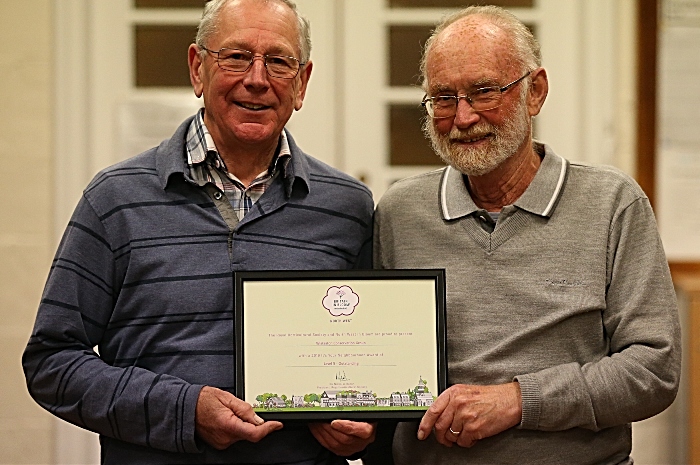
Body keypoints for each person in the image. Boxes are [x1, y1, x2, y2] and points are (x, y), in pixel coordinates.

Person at [22, 0, 379, 463]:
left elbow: (375, 361)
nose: (257, 78)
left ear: (302, 82)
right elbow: (51, 363)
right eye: (234, 57)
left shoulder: (347, 208)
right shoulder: (115, 199)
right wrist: (184, 410)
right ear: (197, 68)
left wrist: (368, 426)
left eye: (278, 61)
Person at [373, 5, 681, 464]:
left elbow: (654, 370)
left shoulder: (613, 203)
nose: (462, 118)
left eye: (483, 92)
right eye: (443, 97)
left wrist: (518, 402)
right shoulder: (400, 211)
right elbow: (376, 363)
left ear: (534, 92)